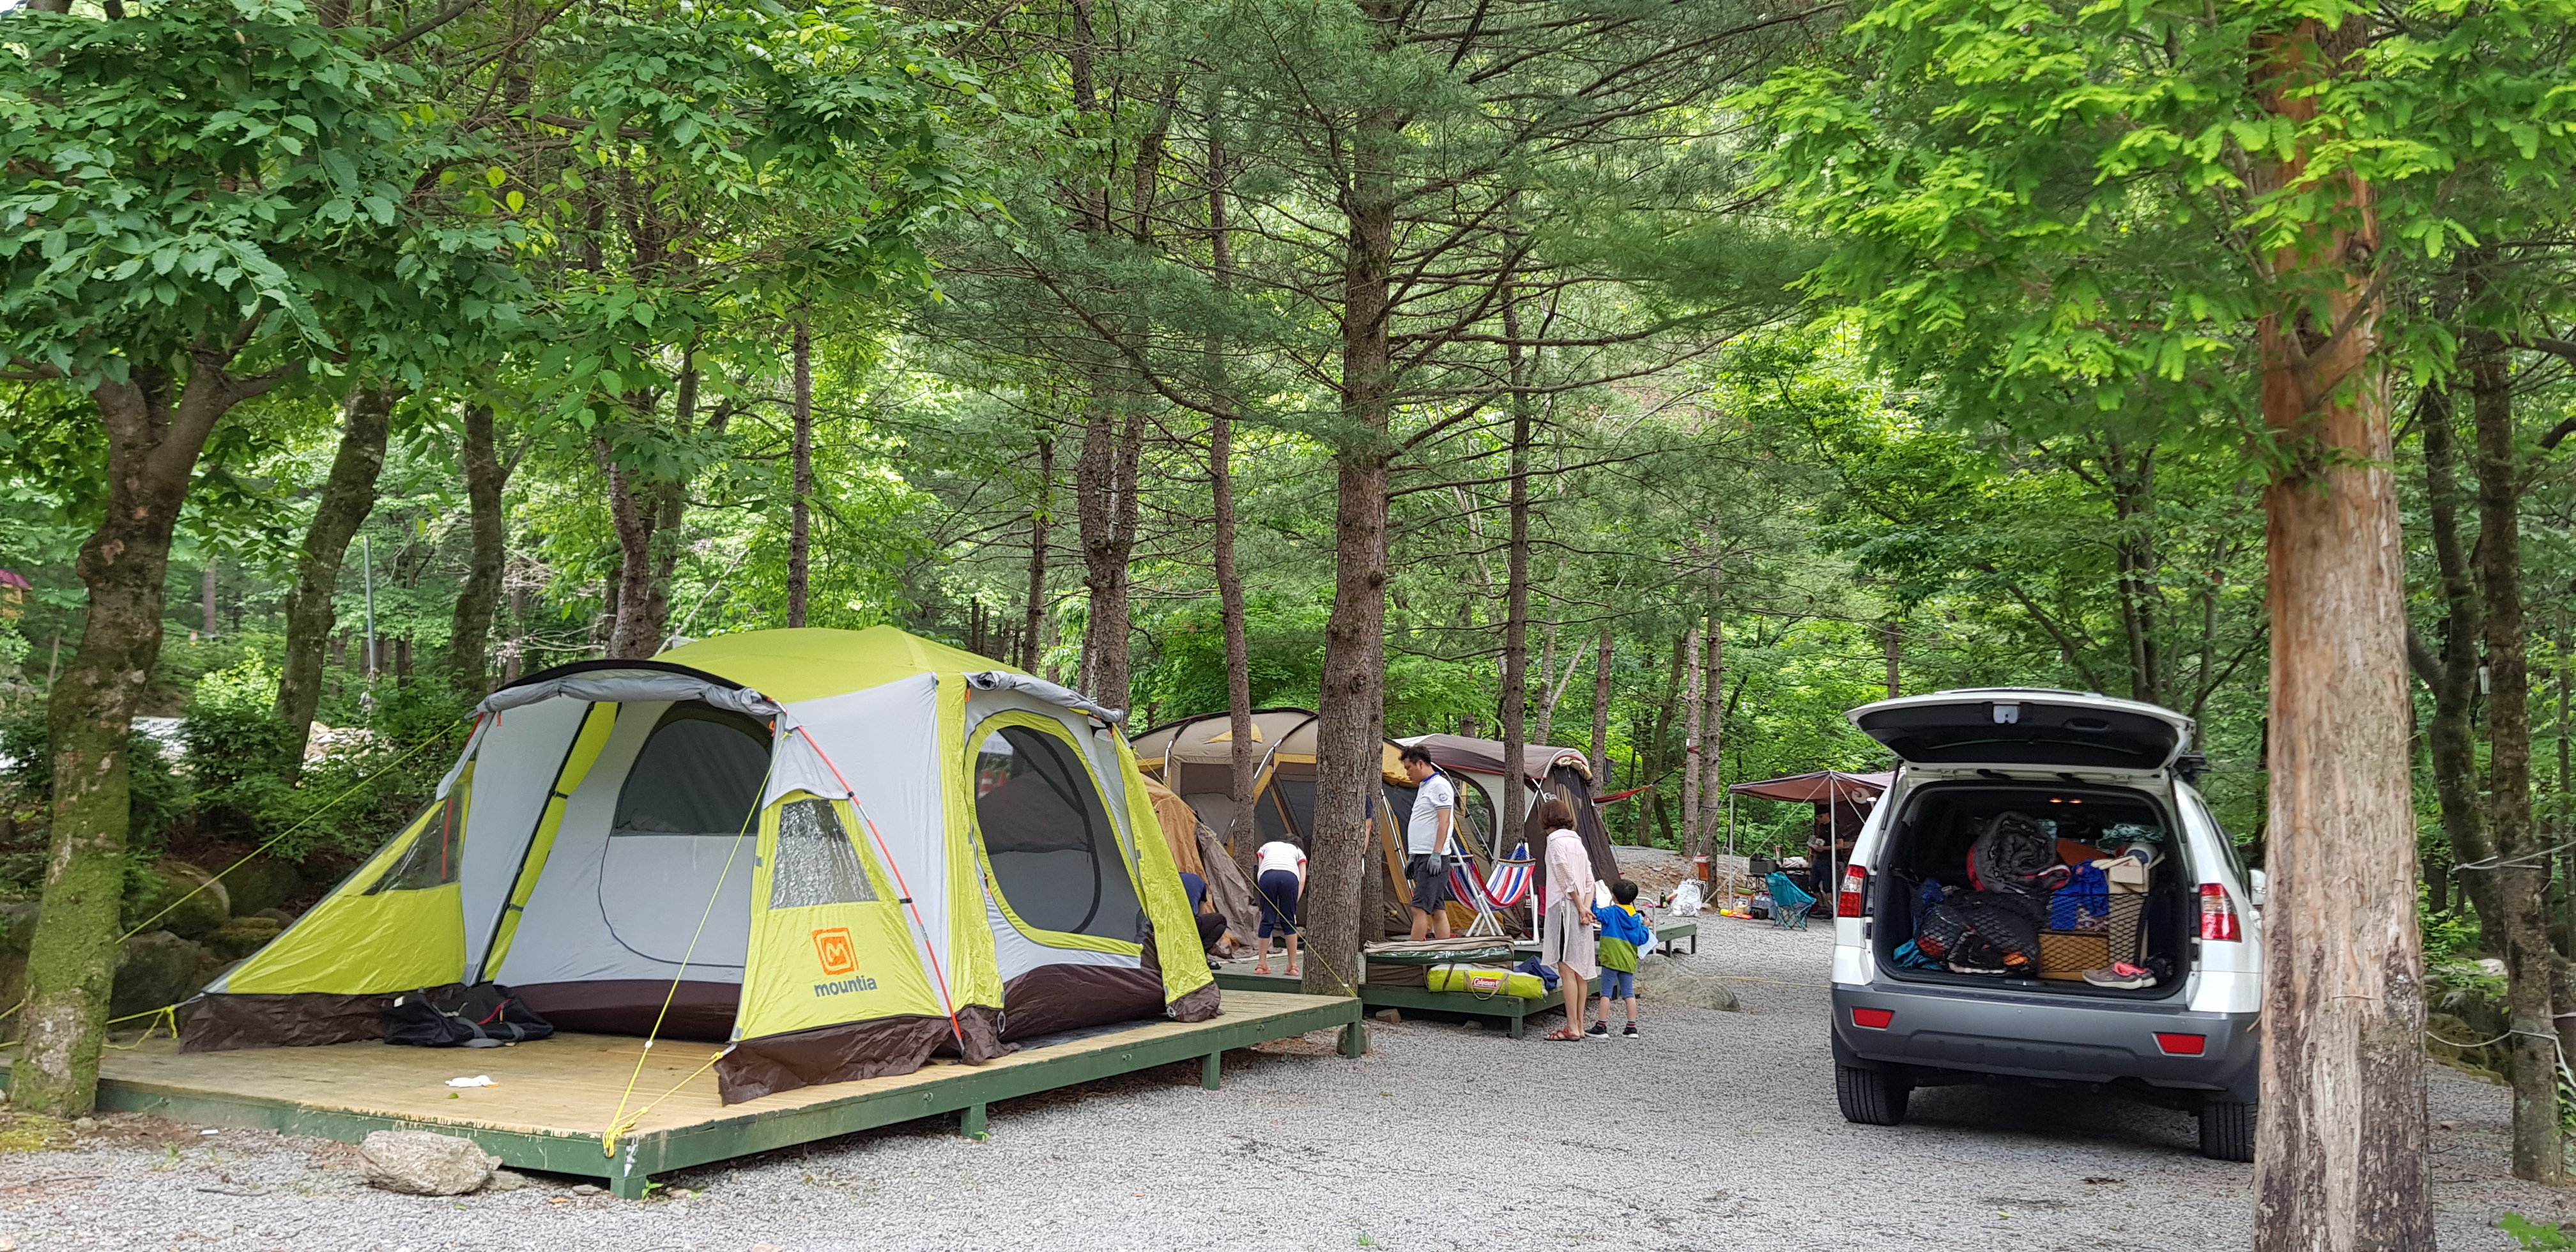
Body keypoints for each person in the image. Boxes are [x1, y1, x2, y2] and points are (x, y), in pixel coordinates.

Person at [1537, 798, 1598, 1041]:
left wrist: (1580, 906)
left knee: (1566, 967)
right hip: (1582, 908)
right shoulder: (1577, 841)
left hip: (1565, 908)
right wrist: (1587, 906)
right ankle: (1580, 1026)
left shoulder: (1554, 841)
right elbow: (1589, 879)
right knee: (1580, 968)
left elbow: (1564, 875)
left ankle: (1572, 1026)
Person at [1398, 744, 1457, 941]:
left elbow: (1445, 821)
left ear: (1421, 764)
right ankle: (1444, 949)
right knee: (1437, 908)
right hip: (1422, 854)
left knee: (1418, 908)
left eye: (1409, 768)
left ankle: (1413, 953)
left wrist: (1437, 854)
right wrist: (1413, 856)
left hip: (1433, 856)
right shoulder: (1425, 786)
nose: (1407, 774)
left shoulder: (1439, 785)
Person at [1588, 879, 1651, 1039]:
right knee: (1629, 993)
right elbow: (1642, 939)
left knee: (1606, 993)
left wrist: (1592, 897)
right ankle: (1631, 1028)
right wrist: (1646, 926)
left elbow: (1595, 913)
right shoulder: (1637, 918)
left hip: (1611, 958)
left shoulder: (1611, 912)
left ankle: (1601, 1026)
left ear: (1614, 897)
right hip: (1628, 960)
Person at [1253, 837, 1306, 977]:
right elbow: (1302, 880)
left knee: (1267, 919)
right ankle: (1293, 966)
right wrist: (1294, 902)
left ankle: (1261, 964)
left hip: (1267, 876)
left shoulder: (1267, 845)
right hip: (1289, 878)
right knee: (1289, 921)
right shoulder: (1298, 852)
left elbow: (1260, 871)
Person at [1179, 871, 1226, 959]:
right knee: (1221, 920)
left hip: (1168, 924)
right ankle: (1200, 953)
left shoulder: (1170, 880)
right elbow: (1202, 913)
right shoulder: (1200, 882)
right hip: (1189, 923)